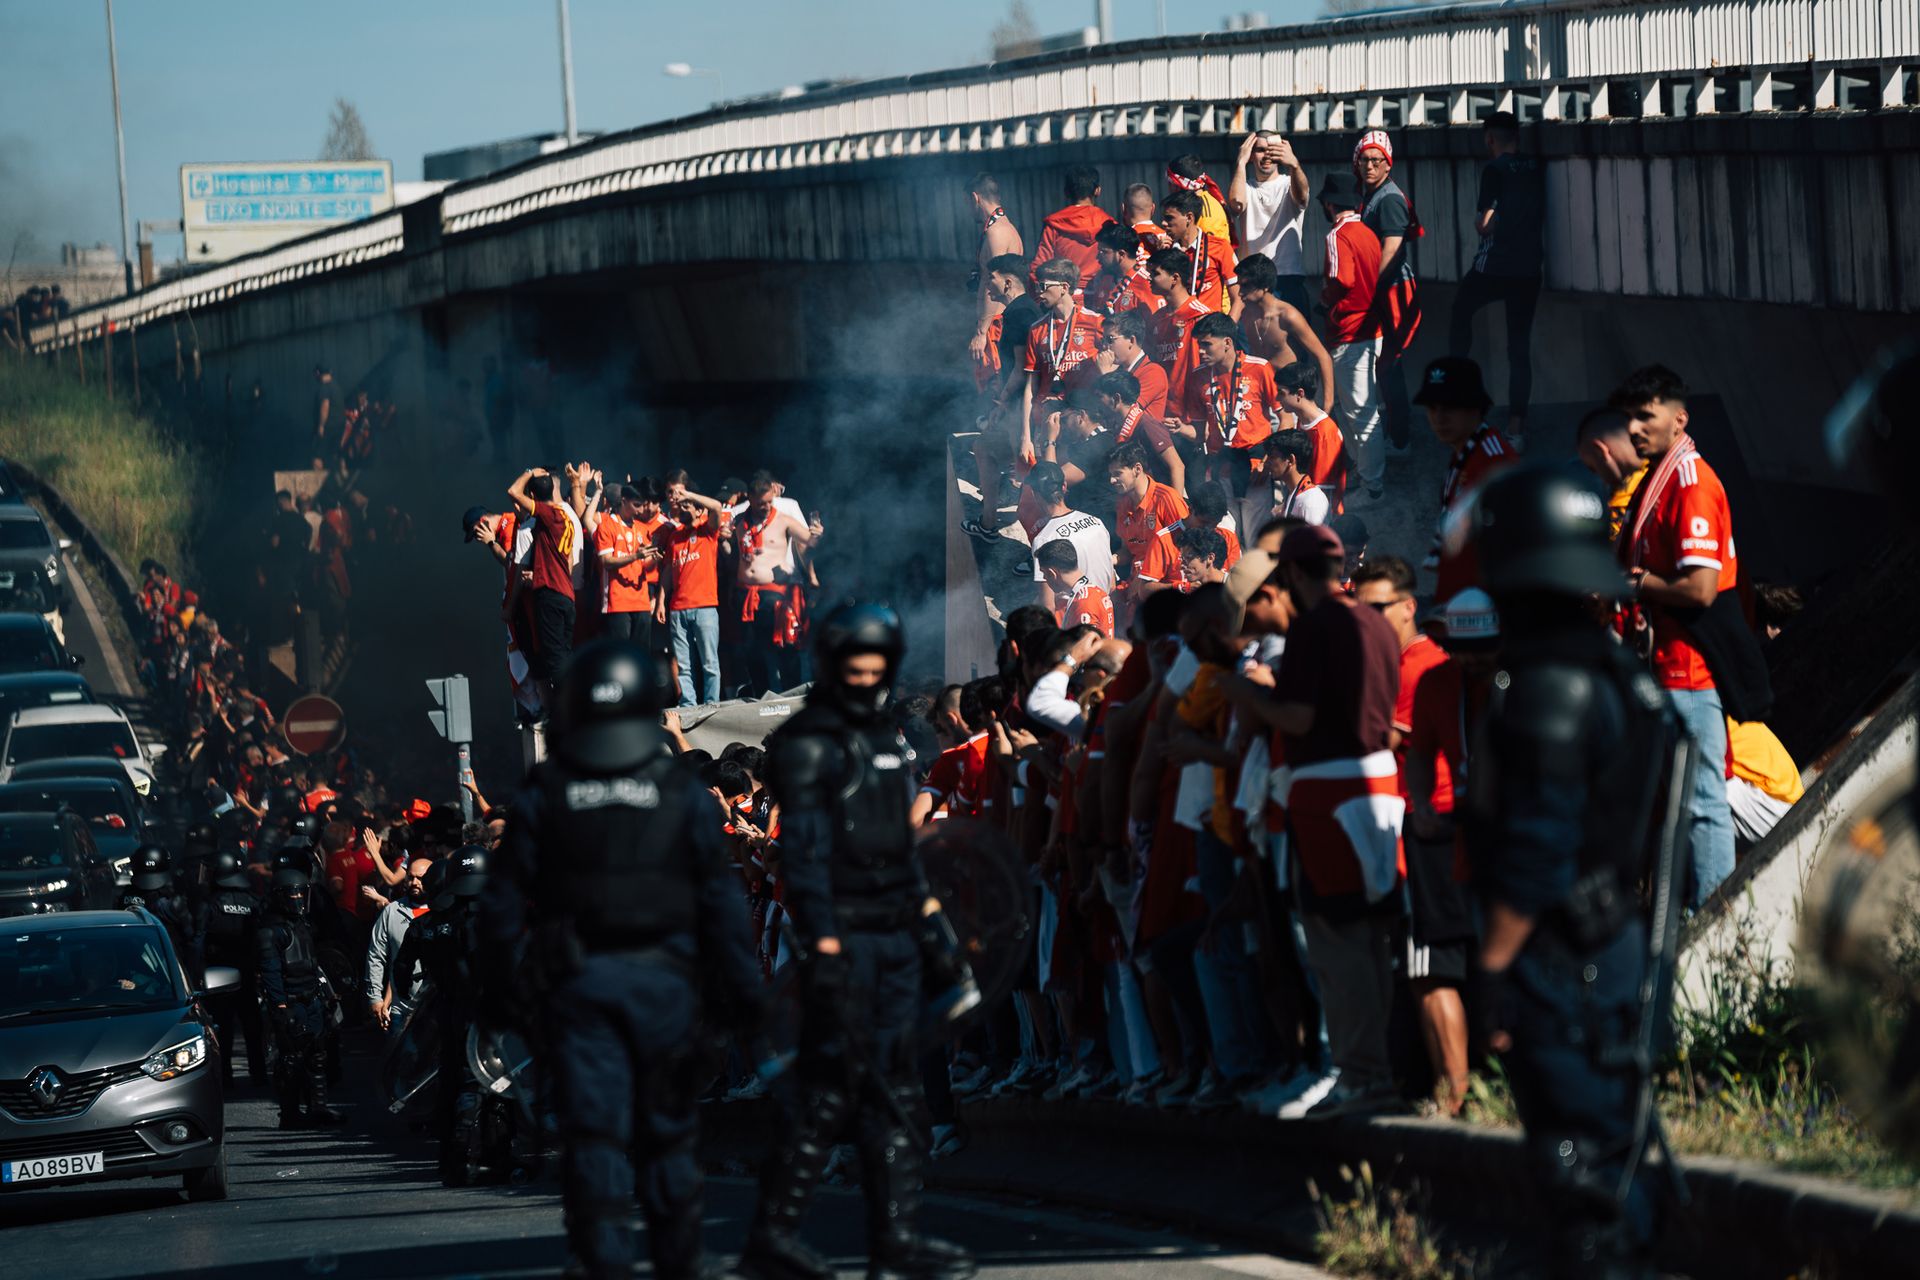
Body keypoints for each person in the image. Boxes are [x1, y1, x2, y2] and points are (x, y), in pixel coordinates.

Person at [480, 640, 766, 1279]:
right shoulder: (677, 789)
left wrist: (500, 994)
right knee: (668, 1131)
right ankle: (677, 1258)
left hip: (579, 988)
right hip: (666, 987)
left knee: (595, 1135)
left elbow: (501, 905)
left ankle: (602, 1259)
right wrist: (743, 992)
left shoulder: (549, 788)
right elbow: (720, 899)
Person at [1465, 463, 1684, 1278]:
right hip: (1608, 942)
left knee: (1582, 1179)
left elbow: (1539, 844)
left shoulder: (1550, 685)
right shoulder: (1615, 670)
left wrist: (1493, 964)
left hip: (1562, 957)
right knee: (1609, 1161)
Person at [738, 604, 976, 1280]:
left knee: (895, 1089)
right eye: (857, 670)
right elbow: (805, 855)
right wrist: (825, 948)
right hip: (841, 937)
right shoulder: (807, 744)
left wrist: (931, 929)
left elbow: (899, 845)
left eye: (878, 670)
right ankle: (773, 1235)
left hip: (894, 933)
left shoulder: (884, 740)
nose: (868, 681)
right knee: (830, 1094)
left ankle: (895, 1239)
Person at [1266, 522, 1403, 1119]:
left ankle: (1362, 1075)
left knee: (1338, 944)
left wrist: (1249, 695)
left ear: (1295, 573)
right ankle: (1380, 1069)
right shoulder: (1376, 622)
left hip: (1328, 793)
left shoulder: (1315, 625)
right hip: (1378, 786)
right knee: (1372, 938)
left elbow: (1297, 718)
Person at [1612, 365, 1740, 905]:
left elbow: (1701, 588)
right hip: (1664, 669)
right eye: (1628, 418)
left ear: (1679, 419)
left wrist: (1637, 582)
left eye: (1646, 416)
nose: (1634, 429)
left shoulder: (1690, 481)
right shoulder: (1659, 479)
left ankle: (1715, 926)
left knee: (1703, 804)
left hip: (1689, 672)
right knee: (1681, 804)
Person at [1354, 557, 1462, 1114]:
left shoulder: (1420, 664)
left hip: (1427, 825)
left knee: (1428, 969)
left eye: (1378, 608)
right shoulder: (1392, 662)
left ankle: (1452, 1094)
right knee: (1412, 969)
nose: (1368, 619)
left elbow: (1384, 739)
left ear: (1407, 606)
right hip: (1403, 825)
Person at [395, 844, 505, 1184]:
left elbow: (401, 968)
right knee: (482, 1082)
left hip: (443, 1008)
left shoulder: (430, 923)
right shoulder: (477, 922)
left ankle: (453, 1156)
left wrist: (408, 996)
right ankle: (469, 1158)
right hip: (479, 1010)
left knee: (451, 1081)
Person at [1450, 111, 1545, 443]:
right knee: (1518, 346)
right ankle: (1517, 428)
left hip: (1495, 266)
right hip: (1529, 268)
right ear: (1517, 136)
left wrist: (1483, 220)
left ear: (1489, 139)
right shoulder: (1534, 166)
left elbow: (1485, 225)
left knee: (1460, 312)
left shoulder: (1494, 170)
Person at [1416, 357, 1517, 605]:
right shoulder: (1467, 453)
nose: (1439, 417)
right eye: (1432, 407)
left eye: (1450, 406)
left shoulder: (1493, 460)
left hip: (1485, 609)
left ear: (1475, 406)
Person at [258, 851, 343, 1129]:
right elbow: (271, 973)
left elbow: (315, 962)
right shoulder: (270, 932)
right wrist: (280, 1008)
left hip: (313, 999)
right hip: (291, 1002)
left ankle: (319, 1108)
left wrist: (327, 995)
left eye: (300, 893)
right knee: (290, 1061)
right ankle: (290, 1114)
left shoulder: (303, 925)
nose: (297, 898)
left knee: (317, 1056)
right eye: (292, 893)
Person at [1353, 130, 1422, 454]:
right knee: (1384, 365)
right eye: (1364, 160)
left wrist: (1367, 289)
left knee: (1390, 364)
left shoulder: (1389, 199)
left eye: (1376, 160)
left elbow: (1391, 251)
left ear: (1388, 163)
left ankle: (1401, 438)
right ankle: (1396, 431)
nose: (1370, 166)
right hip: (1381, 289)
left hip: (1392, 291)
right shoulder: (1372, 194)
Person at [1319, 171, 1386, 505]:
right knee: (1358, 409)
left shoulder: (1338, 234)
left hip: (1349, 332)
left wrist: (1326, 300)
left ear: (1329, 205)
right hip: (1372, 330)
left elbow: (1342, 279)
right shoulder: (1369, 234)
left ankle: (1372, 486)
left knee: (1359, 412)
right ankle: (1366, 476)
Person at [1183, 311, 1280, 537]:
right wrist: (1179, 429)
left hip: (1256, 467)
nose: (1200, 351)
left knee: (1258, 537)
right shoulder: (1198, 377)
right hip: (1220, 468)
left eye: (1206, 345)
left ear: (1227, 342)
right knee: (1227, 536)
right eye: (1199, 345)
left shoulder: (1259, 368)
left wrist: (1268, 460)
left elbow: (1284, 418)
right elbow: (1198, 433)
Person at [733, 474, 823, 698]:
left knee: (784, 646)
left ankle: (792, 696)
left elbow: (808, 542)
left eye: (769, 502)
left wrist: (817, 536)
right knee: (752, 651)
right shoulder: (739, 520)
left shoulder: (783, 520)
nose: (765, 507)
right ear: (750, 499)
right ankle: (760, 698)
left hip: (774, 594)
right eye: (760, 503)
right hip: (745, 595)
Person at [508, 466, 588, 703]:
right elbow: (569, 560)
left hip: (551, 595)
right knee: (564, 654)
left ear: (533, 496)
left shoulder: (549, 514)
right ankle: (573, 703)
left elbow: (513, 492)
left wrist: (529, 472)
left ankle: (568, 707)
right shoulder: (568, 517)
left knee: (554, 659)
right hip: (566, 595)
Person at [1019, 258, 1106, 454]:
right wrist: (1026, 436)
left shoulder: (1095, 322)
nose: (1039, 292)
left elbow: (1113, 365)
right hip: (1048, 418)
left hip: (1082, 419)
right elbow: (1030, 387)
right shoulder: (1037, 329)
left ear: (1064, 288)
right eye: (1037, 286)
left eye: (1043, 286)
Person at [659, 479, 733, 707]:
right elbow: (668, 571)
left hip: (705, 607)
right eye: (681, 505)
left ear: (699, 510)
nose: (682, 508)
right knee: (684, 665)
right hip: (677, 609)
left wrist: (688, 494)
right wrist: (661, 601)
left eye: (687, 505)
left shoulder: (708, 531)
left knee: (709, 663)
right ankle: (688, 705)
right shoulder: (675, 536)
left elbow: (716, 507)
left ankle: (712, 706)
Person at [203, 847, 267, 1084]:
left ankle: (225, 1076)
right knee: (252, 1024)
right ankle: (259, 1074)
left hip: (218, 974)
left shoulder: (210, 904)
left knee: (223, 1025)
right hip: (248, 971)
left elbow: (198, 940)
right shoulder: (253, 902)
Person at [1233, 253, 1334, 403]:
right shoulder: (1246, 314)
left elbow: (1323, 356)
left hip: (1290, 395)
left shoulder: (1288, 315)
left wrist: (1327, 403)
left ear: (1265, 286)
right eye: (1239, 285)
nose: (1240, 292)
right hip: (1260, 393)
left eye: (1246, 285)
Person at [1228, 131, 1311, 312]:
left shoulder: (1289, 183)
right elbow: (1236, 205)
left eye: (1272, 150)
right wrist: (1241, 162)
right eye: (1260, 150)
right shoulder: (1246, 186)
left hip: (1287, 276)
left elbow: (1302, 197)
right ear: (1251, 154)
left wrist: (1294, 165)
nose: (1267, 155)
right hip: (1253, 280)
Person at [121, 844, 206, 985]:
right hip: (165, 971)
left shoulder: (124, 898)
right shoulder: (171, 904)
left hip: (134, 968)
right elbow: (191, 940)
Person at [1091, 368, 1184, 497]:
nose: (1096, 404)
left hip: (1159, 499)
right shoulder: (1118, 427)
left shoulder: (1147, 426)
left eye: (1100, 397)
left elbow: (1177, 466)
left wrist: (1174, 505)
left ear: (1116, 399)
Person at [966, 173, 1025, 373]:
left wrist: (982, 332)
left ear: (975, 198)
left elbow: (994, 282)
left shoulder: (996, 232)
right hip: (997, 321)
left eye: (968, 203)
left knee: (994, 385)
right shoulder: (1002, 227)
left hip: (996, 324)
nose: (969, 210)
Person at [595, 482, 664, 649]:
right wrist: (635, 556)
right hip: (617, 602)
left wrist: (655, 559)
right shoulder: (607, 525)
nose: (641, 510)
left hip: (641, 601)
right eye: (637, 505)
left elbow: (645, 565)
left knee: (641, 654)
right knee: (621, 654)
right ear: (624, 501)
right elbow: (606, 562)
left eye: (642, 505)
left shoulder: (641, 528)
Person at [1144, 247, 1211, 415]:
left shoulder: (1200, 316)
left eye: (1155, 273)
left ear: (1175, 278)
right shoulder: (1156, 318)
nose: (1149, 278)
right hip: (1164, 407)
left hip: (1193, 410)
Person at [1029, 164, 1115, 291]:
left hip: (1064, 295)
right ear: (1097, 191)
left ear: (1066, 192)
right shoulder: (1110, 225)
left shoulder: (1054, 225)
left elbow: (1038, 268)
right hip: (1101, 294)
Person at [1160, 189, 1237, 316]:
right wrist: (1161, 258)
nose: (1163, 223)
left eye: (1169, 218)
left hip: (1208, 325)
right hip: (1175, 325)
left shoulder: (1220, 247)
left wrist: (1228, 325)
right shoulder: (1166, 250)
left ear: (1189, 218)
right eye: (1163, 218)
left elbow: (1238, 297)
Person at [1575, 406, 1648, 540]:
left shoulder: (1635, 496)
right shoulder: (1666, 473)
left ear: (1601, 450)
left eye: (1592, 468)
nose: (1598, 476)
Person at [1092, 310, 1170, 418]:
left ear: (1131, 341)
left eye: (1110, 339)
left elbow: (1127, 413)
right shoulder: (1118, 370)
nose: (1105, 346)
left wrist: (1106, 376)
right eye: (1103, 340)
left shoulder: (1153, 373)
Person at [1037, 538, 1116, 636]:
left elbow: (1086, 644)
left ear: (1052, 573)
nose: (1044, 578)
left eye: (1044, 573)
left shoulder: (1084, 604)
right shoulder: (1094, 592)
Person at [1084, 222, 1159, 318]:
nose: (1098, 257)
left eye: (1104, 252)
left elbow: (1156, 324)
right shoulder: (1102, 279)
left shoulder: (1147, 286)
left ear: (1121, 254)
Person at [1261, 430, 1330, 527]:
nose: (1266, 463)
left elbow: (1315, 537)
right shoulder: (1295, 494)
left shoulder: (1311, 501)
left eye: (1272, 457)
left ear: (1290, 460)